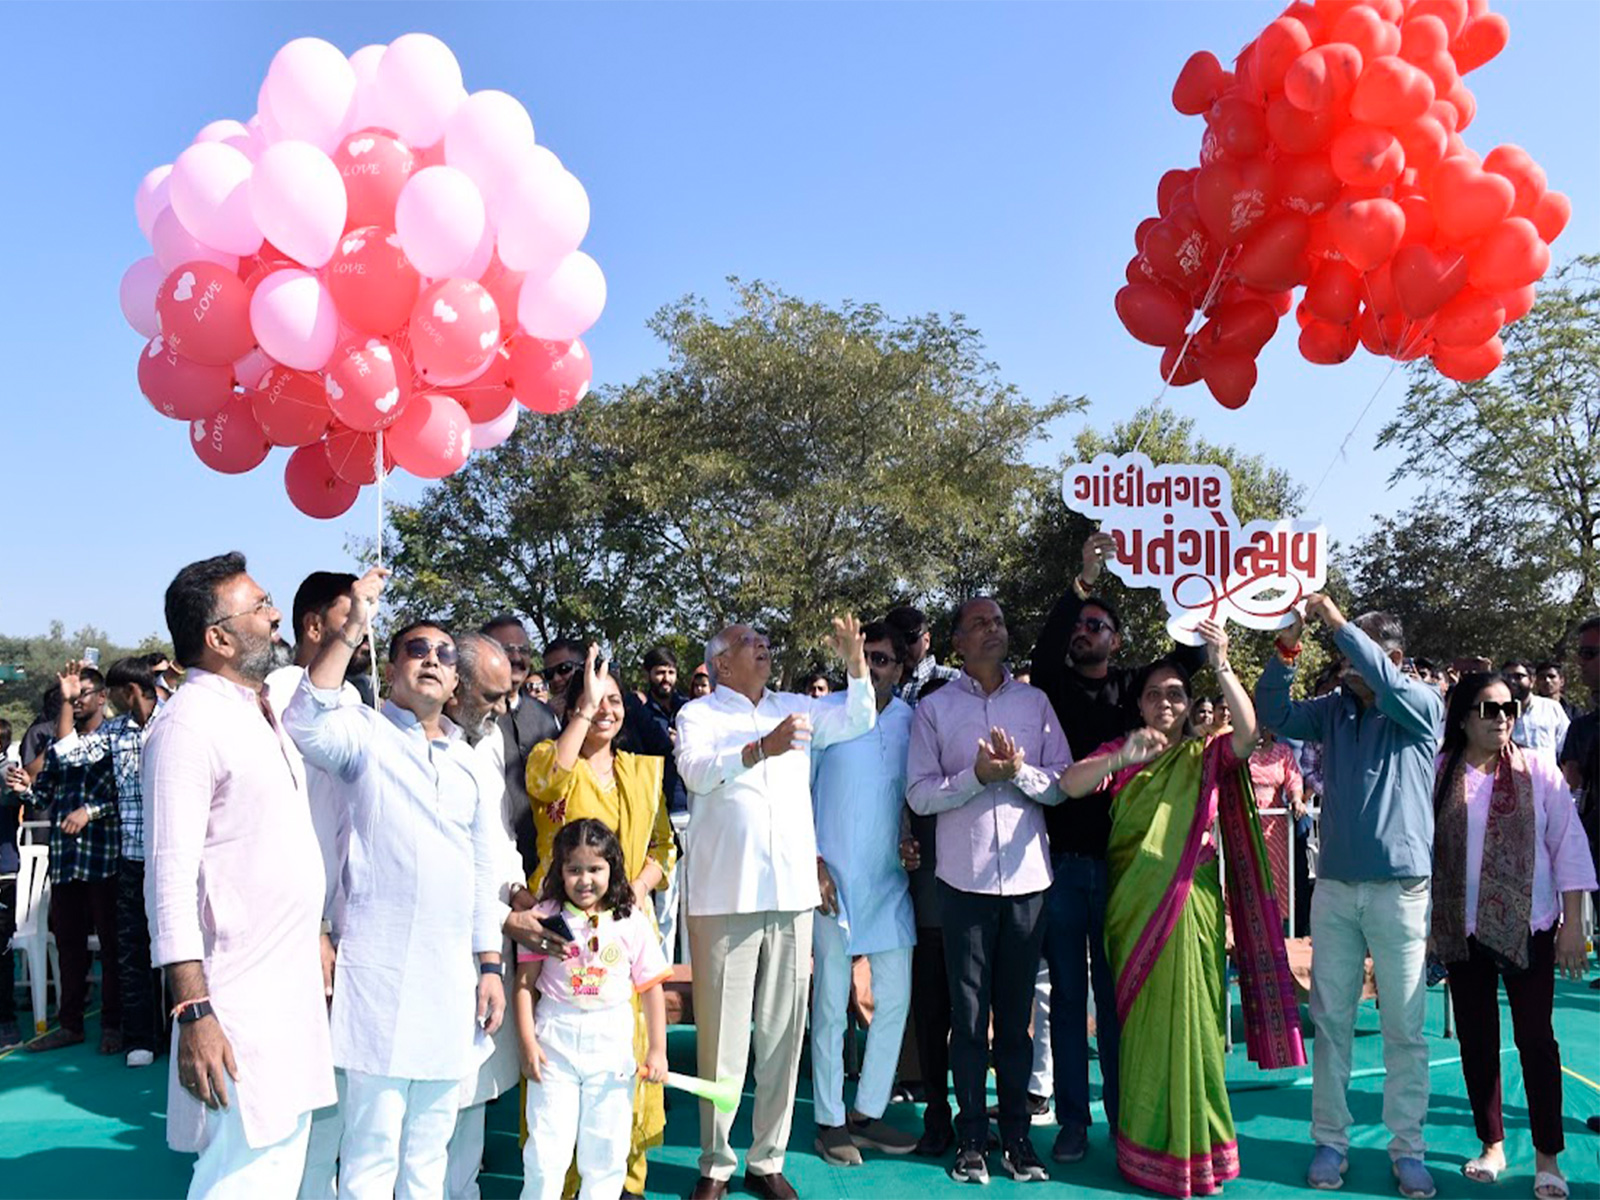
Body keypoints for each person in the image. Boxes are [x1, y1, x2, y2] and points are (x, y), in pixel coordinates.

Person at [1059, 621, 1303, 1197]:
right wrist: (1120, 755)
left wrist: (1220, 663)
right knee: (1142, 1032)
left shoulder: (1204, 754)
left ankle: (1201, 1151)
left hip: (1190, 904)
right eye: (1153, 694)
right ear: (1139, 704)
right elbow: (1070, 786)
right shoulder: (1125, 751)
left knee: (1196, 1025)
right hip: (1134, 911)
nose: (1165, 702)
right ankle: (1145, 1150)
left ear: (1189, 702)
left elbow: (1246, 734)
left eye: (1175, 694)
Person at [283, 569, 505, 1199]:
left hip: (452, 983)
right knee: (372, 1153)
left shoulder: (468, 763)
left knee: (429, 1152)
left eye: (443, 655)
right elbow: (305, 722)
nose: (432, 660)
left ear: (456, 681)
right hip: (379, 979)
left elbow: (482, 869)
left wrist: (489, 964)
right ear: (391, 666)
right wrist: (352, 626)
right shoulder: (364, 733)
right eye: (416, 649)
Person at [142, 552, 335, 1194]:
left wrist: (316, 929)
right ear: (218, 638)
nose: (277, 616)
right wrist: (193, 1010)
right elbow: (169, 882)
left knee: (278, 1168)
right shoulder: (187, 724)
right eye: (260, 607)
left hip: (290, 988)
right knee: (241, 1175)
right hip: (234, 1000)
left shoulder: (256, 708)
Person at [675, 616, 874, 1200]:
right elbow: (697, 772)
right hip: (724, 895)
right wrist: (762, 748)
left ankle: (767, 1158)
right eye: (747, 643)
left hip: (789, 895)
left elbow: (859, 717)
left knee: (785, 1034)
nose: (762, 646)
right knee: (721, 1039)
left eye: (765, 640)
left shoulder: (796, 708)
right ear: (720, 664)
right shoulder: (700, 715)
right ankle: (715, 1163)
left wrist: (856, 663)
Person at [1255, 597, 1444, 1199]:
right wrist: (1290, 642)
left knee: (1403, 1027)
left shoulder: (1420, 706)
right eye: (1341, 652)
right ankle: (1330, 1141)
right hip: (1335, 888)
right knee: (1331, 1021)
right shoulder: (1334, 711)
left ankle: (1407, 1149)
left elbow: (1387, 684)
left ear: (1392, 658)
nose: (1343, 663)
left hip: (1401, 890)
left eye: (1354, 653)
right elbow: (1272, 711)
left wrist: (1337, 624)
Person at [1028, 532, 1207, 1164]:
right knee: (1069, 1001)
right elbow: (1047, 648)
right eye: (1081, 623)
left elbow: (1188, 657)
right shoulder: (1050, 685)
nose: (1085, 630)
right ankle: (1074, 1122)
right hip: (1062, 870)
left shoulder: (1137, 689)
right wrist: (1082, 579)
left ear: (1118, 641)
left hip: (1130, 874)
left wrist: (1206, 580)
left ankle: (1128, 1119)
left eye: (1099, 623)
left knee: (1119, 997)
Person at [907, 596, 1072, 1185]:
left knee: (1015, 1018)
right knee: (969, 1016)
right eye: (978, 623)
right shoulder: (935, 709)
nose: (992, 629)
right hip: (963, 882)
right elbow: (921, 794)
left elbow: (1060, 784)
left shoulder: (1036, 703)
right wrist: (976, 778)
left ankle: (1019, 1140)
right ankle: (971, 1136)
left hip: (1028, 881)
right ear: (955, 642)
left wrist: (1017, 773)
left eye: (999, 620)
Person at [1429, 672, 1595, 1200]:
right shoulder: (1439, 772)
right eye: (1488, 708)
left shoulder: (1538, 770)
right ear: (1462, 717)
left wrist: (1573, 925)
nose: (1502, 717)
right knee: (1477, 1039)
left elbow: (1567, 845)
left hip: (1531, 924)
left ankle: (1549, 1158)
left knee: (1536, 1040)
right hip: (1462, 926)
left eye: (1509, 708)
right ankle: (1492, 1144)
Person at [527, 645, 677, 1197]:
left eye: (615, 700)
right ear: (575, 708)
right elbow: (544, 786)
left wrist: (631, 892)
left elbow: (665, 845)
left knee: (630, 1068)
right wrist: (584, 709)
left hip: (627, 931)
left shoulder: (640, 772)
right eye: (595, 701)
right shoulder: (552, 759)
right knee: (558, 1094)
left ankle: (622, 1184)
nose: (607, 710)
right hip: (561, 934)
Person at [810, 621, 919, 1165]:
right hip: (831, 880)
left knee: (894, 996)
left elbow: (908, 793)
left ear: (901, 668)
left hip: (888, 881)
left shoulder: (910, 722)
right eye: (865, 657)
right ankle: (828, 1119)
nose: (872, 667)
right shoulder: (827, 715)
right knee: (830, 1004)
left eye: (882, 659)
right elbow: (798, 794)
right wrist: (814, 863)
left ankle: (867, 1113)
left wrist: (906, 836)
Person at [515, 819, 670, 1200]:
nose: (585, 880)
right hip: (554, 1041)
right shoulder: (547, 916)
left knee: (606, 1153)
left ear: (612, 868)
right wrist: (527, 1044)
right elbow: (524, 984)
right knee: (546, 1152)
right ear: (560, 871)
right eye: (574, 870)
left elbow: (651, 989)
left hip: (611, 1044)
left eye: (596, 869)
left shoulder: (630, 918)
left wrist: (657, 1050)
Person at [439, 632, 525, 1200]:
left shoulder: (485, 741)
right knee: (437, 1093)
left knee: (474, 1087)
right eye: (492, 696)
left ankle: (462, 1189)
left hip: (492, 939)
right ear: (456, 689)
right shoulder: (413, 745)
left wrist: (518, 892)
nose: (502, 708)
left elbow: (497, 839)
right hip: (444, 944)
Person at [46, 656, 163, 1067]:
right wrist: (65, 702)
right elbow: (67, 753)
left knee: (183, 950)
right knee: (131, 952)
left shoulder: (177, 722)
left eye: (112, 692)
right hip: (131, 859)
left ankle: (179, 1030)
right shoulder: (114, 732)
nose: (108, 702)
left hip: (176, 857)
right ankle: (140, 1040)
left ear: (129, 691)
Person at [23, 663, 122, 1054]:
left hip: (103, 858)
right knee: (69, 946)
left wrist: (91, 811)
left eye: (82, 694)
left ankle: (113, 1024)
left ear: (102, 697)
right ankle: (70, 1025)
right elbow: (43, 794)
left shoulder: (118, 739)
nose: (76, 701)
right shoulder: (60, 745)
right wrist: (25, 790)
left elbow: (126, 798)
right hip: (65, 861)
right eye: (70, 696)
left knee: (113, 947)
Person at [483, 616, 562, 880]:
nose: (517, 658)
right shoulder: (470, 716)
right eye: (507, 649)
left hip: (544, 861)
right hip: (489, 862)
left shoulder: (544, 715)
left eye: (524, 650)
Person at [1248, 727, 1306, 928]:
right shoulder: (1241, 751)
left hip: (1274, 827)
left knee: (1274, 879)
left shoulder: (1283, 752)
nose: (1261, 731)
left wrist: (1297, 799)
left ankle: (1276, 933)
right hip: (1245, 821)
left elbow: (1294, 780)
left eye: (1265, 726)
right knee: (1248, 877)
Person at [886, 604, 959, 707]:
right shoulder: (878, 682)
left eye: (911, 639)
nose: (904, 647)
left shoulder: (952, 681)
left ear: (927, 639)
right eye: (896, 641)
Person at [1504, 659, 1569, 758]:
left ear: (1532, 680)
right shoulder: (1498, 712)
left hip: (1546, 772)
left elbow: (1566, 748)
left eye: (1518, 677)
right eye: (1507, 677)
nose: (1512, 681)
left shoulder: (1551, 708)